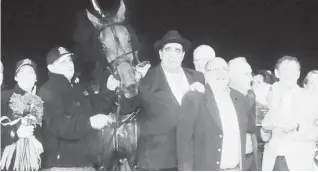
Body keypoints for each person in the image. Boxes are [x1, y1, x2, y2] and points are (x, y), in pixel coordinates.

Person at [107, 30, 204, 170]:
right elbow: (127, 109)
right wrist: (121, 88)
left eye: (177, 50)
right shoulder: (146, 80)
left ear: (183, 55)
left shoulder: (198, 78)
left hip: (193, 159)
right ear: (160, 54)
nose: (172, 55)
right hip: (156, 161)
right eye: (168, 49)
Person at [38, 46, 112, 170]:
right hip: (63, 166)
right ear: (51, 68)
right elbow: (58, 125)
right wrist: (90, 122)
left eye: (70, 60)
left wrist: (110, 89)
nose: (69, 64)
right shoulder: (48, 90)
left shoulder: (79, 87)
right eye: (63, 62)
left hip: (86, 163)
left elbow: (97, 109)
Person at [180, 57, 254, 170]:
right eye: (215, 70)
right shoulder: (194, 98)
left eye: (225, 69)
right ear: (205, 74)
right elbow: (184, 143)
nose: (221, 74)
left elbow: (250, 129)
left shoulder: (239, 98)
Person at [261, 56, 308, 171]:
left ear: (298, 74)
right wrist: (265, 129)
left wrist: (297, 127)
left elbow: (315, 132)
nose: (289, 74)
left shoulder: (308, 97)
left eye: (293, 71)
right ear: (277, 73)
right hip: (272, 159)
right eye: (285, 70)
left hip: (299, 160)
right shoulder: (264, 95)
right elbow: (261, 135)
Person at [1, 59, 41, 170]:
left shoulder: (40, 100)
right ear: (16, 77)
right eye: (22, 72)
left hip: (36, 164)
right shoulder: (3, 97)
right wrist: (15, 133)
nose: (26, 75)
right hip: (9, 165)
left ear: (36, 78)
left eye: (31, 72)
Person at [228, 57, 259, 171]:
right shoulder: (222, 99)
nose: (251, 78)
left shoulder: (250, 96)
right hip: (232, 164)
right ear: (234, 77)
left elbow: (252, 127)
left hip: (250, 158)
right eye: (247, 74)